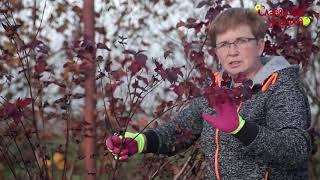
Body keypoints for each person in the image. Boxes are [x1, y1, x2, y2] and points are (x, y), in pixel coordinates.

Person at [106, 7, 312, 179]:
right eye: (224, 44)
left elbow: (296, 151)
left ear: (259, 45)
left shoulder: (282, 87)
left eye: (241, 41)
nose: (232, 51)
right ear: (217, 52)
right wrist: (139, 142)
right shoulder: (216, 92)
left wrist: (241, 128)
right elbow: (177, 133)